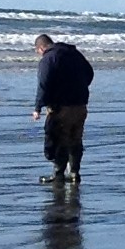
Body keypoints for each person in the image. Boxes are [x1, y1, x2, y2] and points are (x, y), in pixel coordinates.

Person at [32, 35, 95, 183]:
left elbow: (44, 84)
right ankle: (74, 173)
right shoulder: (74, 54)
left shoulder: (48, 59)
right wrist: (79, 88)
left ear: (41, 48)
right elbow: (90, 73)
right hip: (80, 105)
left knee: (60, 138)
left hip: (61, 107)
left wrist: (37, 107)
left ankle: (58, 174)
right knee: (75, 138)